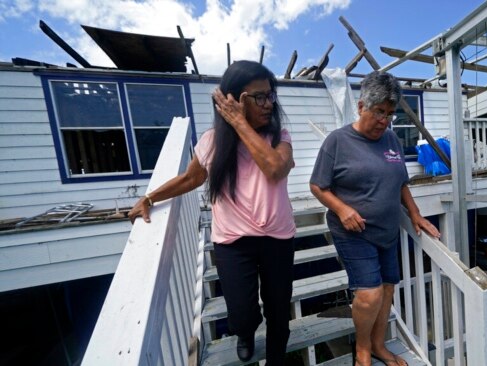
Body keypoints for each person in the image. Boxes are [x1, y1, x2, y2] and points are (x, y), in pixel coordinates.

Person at [128, 60, 296, 365]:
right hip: (233, 242)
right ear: (234, 100)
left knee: (278, 311)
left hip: (278, 239)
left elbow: (274, 168)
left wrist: (239, 123)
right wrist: (150, 197)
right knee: (242, 316)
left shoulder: (279, 137)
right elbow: (191, 178)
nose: (269, 103)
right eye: (259, 97)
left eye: (271, 95)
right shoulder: (211, 142)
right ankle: (245, 333)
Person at [309, 71, 440, 366]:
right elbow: (318, 186)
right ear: (361, 106)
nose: (384, 120)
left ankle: (379, 346)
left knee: (387, 290)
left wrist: (415, 214)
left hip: (387, 231)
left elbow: (401, 183)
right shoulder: (337, 141)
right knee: (368, 295)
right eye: (379, 111)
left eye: (390, 113)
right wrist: (342, 209)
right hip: (354, 233)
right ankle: (362, 350)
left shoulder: (391, 139)